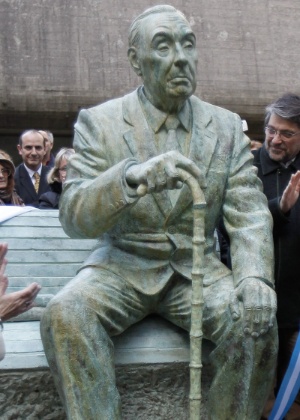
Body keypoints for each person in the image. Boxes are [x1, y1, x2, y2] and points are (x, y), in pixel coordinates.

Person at [41, 5, 278, 419]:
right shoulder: (100, 122)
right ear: (136, 60)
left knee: (257, 322)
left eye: (188, 44)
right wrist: (131, 178)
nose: (180, 57)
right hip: (121, 266)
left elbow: (250, 212)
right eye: (163, 46)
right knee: (65, 314)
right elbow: (74, 214)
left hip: (195, 268)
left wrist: (255, 277)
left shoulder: (224, 127)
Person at [252, 93, 300, 419]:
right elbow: (233, 229)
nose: (275, 139)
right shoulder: (248, 168)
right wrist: (279, 209)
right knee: (259, 396)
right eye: (271, 130)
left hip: (298, 307)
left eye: (286, 133)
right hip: (259, 305)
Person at [14, 129, 51, 207]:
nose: (34, 153)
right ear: (20, 149)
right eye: (28, 148)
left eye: (38, 148)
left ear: (45, 149)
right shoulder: (12, 178)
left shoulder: (54, 177)